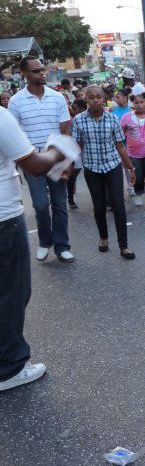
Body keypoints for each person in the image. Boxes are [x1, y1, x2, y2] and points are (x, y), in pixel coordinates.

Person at [0, 107, 75, 392]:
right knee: (11, 292)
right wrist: (58, 149)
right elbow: (35, 164)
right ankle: (9, 368)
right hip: (3, 220)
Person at [8, 56, 74, 263]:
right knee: (40, 205)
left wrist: (68, 162)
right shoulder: (15, 101)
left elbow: (65, 131)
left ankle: (62, 246)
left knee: (60, 204)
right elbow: (13, 134)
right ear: (24, 74)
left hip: (56, 158)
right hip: (32, 159)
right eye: (36, 71)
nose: (42, 73)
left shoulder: (57, 98)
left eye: (42, 70)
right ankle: (45, 242)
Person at [71, 85, 136, 259]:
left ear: (104, 98)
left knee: (118, 205)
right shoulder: (78, 120)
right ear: (86, 99)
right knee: (99, 207)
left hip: (112, 166)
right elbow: (77, 147)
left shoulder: (112, 119)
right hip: (92, 169)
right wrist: (69, 169)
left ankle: (124, 246)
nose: (95, 100)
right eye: (91, 97)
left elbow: (120, 146)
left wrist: (130, 168)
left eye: (98, 97)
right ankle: (103, 238)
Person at [67, 98, 87, 209]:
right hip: (76, 150)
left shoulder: (85, 118)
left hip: (87, 150)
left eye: (75, 108)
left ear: (82, 109)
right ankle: (70, 199)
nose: (72, 110)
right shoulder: (72, 120)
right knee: (72, 176)